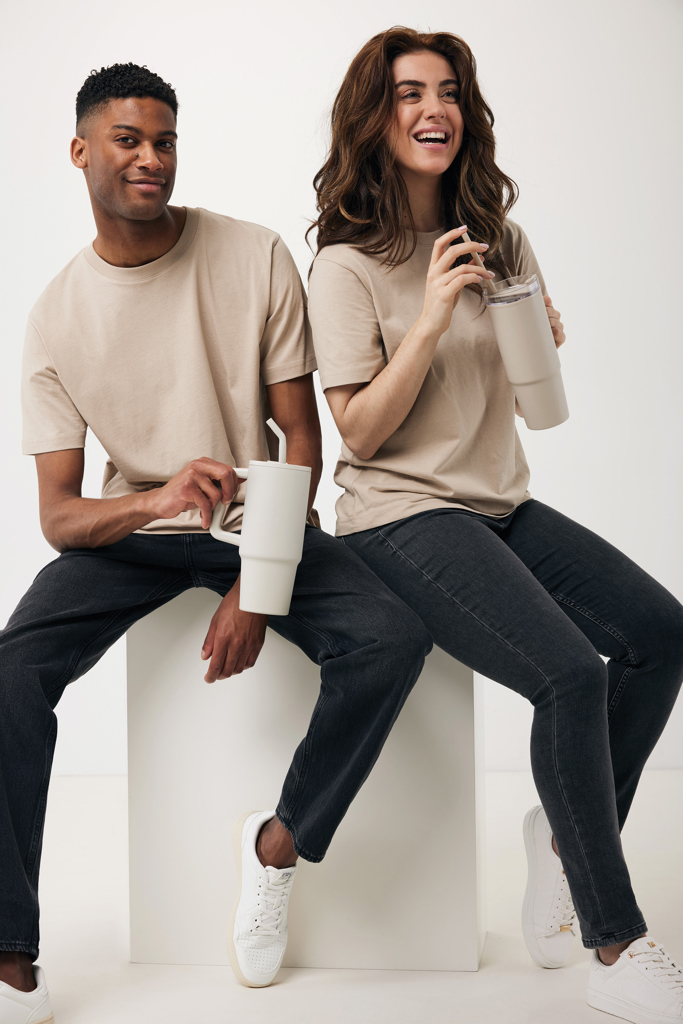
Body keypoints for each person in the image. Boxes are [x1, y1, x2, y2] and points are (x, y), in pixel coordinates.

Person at [0, 63, 433, 1019]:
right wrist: (156, 500)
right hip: (137, 533)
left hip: (255, 520)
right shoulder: (54, 318)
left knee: (392, 637)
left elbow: (301, 439)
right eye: (127, 140)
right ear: (80, 151)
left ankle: (278, 846)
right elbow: (60, 516)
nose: (150, 159)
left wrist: (258, 584)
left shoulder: (251, 254)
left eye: (164, 141)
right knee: (9, 676)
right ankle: (9, 950)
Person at [307, 27, 683, 1024]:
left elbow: (531, 412)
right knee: (566, 674)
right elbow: (359, 431)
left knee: (658, 632)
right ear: (374, 118)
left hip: (496, 502)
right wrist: (432, 315)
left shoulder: (498, 239)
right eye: (408, 93)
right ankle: (613, 943)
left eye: (448, 91)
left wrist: (537, 344)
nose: (433, 108)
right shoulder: (345, 265)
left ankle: (563, 838)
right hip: (397, 513)